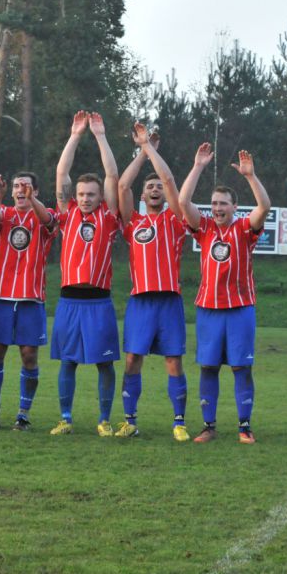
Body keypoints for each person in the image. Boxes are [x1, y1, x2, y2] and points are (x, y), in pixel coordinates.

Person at [158, 142, 271, 444]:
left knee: (241, 368)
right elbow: (183, 201)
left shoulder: (245, 229)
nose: (218, 208)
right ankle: (209, 426)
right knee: (208, 367)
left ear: (235, 207)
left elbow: (264, 207)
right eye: (214, 203)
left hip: (240, 309)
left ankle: (244, 426)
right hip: (209, 310)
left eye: (223, 204)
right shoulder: (205, 228)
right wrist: (197, 167)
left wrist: (250, 176)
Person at [48, 111, 120, 437]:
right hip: (69, 301)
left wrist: (101, 136)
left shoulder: (109, 216)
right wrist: (75, 135)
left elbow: (112, 176)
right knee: (68, 361)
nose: (86, 198)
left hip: (99, 301)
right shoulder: (68, 214)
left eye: (91, 194)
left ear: (99, 196)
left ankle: (104, 420)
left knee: (105, 363)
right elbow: (61, 172)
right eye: (81, 194)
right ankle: (66, 418)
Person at [117, 124, 190, 441]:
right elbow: (122, 185)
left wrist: (150, 148)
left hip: (169, 301)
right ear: (144, 195)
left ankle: (179, 422)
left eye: (158, 186)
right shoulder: (133, 222)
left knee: (173, 361)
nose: (156, 189)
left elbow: (171, 181)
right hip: (141, 301)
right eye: (150, 187)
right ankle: (130, 421)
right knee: (133, 358)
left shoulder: (175, 220)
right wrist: (141, 152)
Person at [0, 171, 56, 431]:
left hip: (31, 299)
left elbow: (48, 220)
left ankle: (23, 415)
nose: (20, 190)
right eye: (16, 186)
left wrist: (33, 199)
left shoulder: (43, 214)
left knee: (29, 355)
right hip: (1, 296)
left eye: (26, 186)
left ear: (36, 191)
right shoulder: (5, 212)